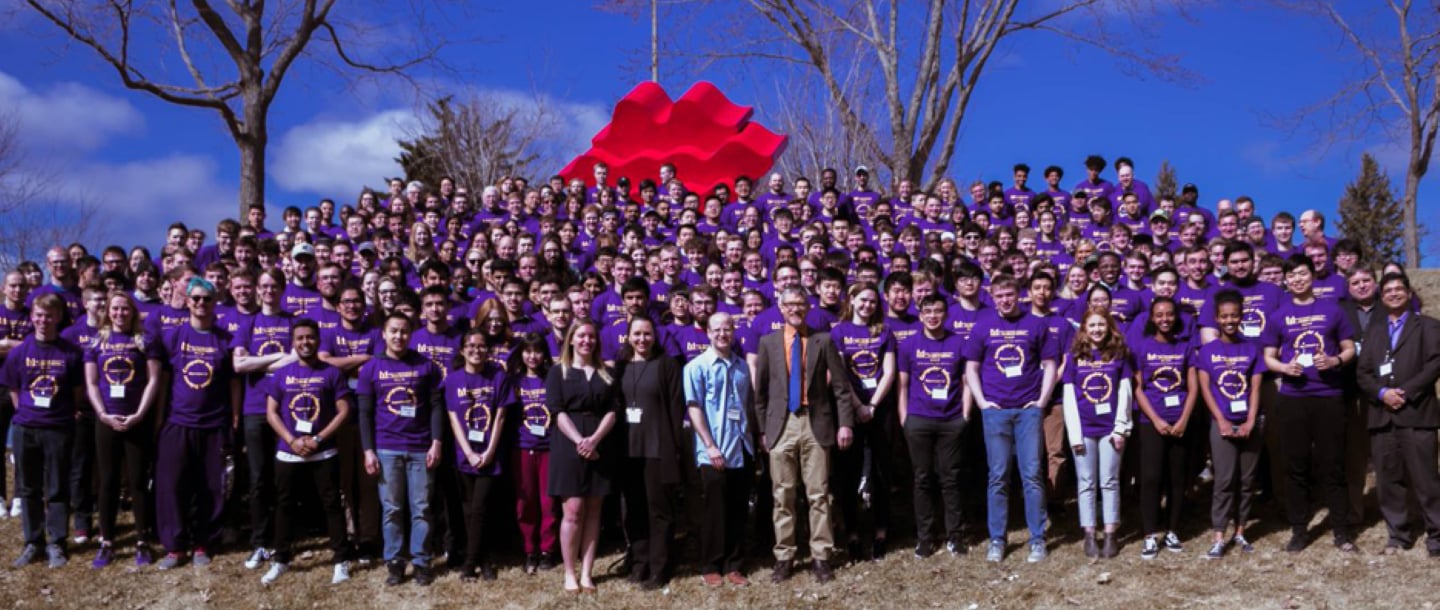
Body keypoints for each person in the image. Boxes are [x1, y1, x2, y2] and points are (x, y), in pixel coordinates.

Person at [753, 286, 858, 584]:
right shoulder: (768, 342)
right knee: (782, 494)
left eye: (800, 304)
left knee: (819, 494)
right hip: (781, 425)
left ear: (808, 307)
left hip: (816, 424)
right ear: (781, 308)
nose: (795, 309)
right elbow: (760, 393)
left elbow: (841, 388)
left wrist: (845, 423)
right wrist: (762, 429)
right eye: (789, 304)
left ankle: (821, 556)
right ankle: (784, 556)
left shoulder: (823, 341)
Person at [1262, 254, 1357, 553]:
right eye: (1292, 275)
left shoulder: (1333, 310)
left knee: (1333, 465)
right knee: (1296, 467)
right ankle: (1299, 530)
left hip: (1329, 396)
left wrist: (1334, 360)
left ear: (1312, 276)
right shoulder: (1278, 316)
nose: (1298, 279)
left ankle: (1341, 531)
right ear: (1285, 280)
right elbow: (1268, 356)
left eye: (1302, 273)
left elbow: (1350, 348)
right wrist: (1283, 368)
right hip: (1293, 399)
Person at [963, 275, 1059, 563]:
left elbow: (1050, 364)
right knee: (998, 476)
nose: (1005, 300)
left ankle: (1037, 538)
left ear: (1019, 295)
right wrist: (982, 402)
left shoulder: (1036, 324)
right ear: (992, 297)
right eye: (999, 296)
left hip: (1028, 410)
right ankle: (997, 538)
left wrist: (1041, 401)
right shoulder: (983, 325)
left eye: (1009, 295)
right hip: (996, 412)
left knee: (1032, 474)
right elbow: (971, 368)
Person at [154, 277, 238, 570]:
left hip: (214, 424)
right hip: (178, 422)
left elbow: (233, 383)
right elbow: (164, 381)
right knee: (172, 486)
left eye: (207, 298)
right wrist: (160, 418)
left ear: (215, 303)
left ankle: (204, 543)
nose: (202, 303)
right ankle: (175, 546)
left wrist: (234, 417)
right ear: (187, 301)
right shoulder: (174, 336)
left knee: (210, 487)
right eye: (196, 298)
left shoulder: (225, 339)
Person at [260, 319, 353, 585]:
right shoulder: (281, 374)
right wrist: (291, 440)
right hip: (289, 452)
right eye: (300, 338)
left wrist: (319, 438)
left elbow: (344, 410)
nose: (305, 342)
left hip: (323, 451)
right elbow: (271, 412)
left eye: (310, 337)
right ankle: (281, 560)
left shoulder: (332, 373)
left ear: (318, 340)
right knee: (284, 505)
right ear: (293, 342)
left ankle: (341, 561)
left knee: (332, 504)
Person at [357, 313, 445, 586]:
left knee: (421, 508)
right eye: (393, 331)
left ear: (411, 334)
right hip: (386, 448)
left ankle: (421, 561)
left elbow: (436, 407)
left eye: (404, 331)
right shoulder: (371, 368)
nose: (399, 336)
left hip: (420, 447)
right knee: (392, 509)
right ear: (383, 334)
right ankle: (394, 562)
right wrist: (368, 450)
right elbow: (364, 413)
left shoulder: (426, 366)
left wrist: (437, 441)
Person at [1356, 273, 1440, 556]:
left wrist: (1404, 392)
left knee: (1426, 480)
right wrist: (1382, 394)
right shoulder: (1375, 330)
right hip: (1382, 416)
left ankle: (1436, 535)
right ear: (1381, 297)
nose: (1393, 294)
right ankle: (1398, 535)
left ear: (1409, 293)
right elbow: (1363, 372)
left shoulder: (1428, 326)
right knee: (1389, 480)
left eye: (1398, 289)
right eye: (1388, 290)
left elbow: (1434, 364)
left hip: (1416, 414)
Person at [3, 293, 84, 568]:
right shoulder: (19, 353)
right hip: (26, 427)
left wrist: (60, 415)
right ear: (32, 317)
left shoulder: (71, 353)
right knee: (28, 488)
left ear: (58, 317)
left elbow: (76, 392)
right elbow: (14, 389)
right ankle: (33, 541)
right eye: (38, 315)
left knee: (57, 487)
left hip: (58, 428)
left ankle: (57, 542)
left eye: (49, 315)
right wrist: (26, 415)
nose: (43, 320)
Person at [83, 290, 162, 568]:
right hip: (107, 420)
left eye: (125, 308)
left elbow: (154, 380)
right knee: (108, 481)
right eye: (114, 308)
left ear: (133, 312)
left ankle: (142, 540)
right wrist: (102, 414)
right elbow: (92, 382)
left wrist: (140, 413)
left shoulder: (145, 340)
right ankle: (106, 542)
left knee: (138, 481)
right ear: (108, 311)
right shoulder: (97, 341)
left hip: (137, 420)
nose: (119, 313)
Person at [547, 320, 619, 594]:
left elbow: (613, 410)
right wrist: (580, 441)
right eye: (581, 336)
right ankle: (569, 572)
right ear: (571, 339)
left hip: (601, 443)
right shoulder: (558, 372)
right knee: (573, 510)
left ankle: (587, 572)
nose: (586, 340)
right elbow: (557, 410)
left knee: (594, 510)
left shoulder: (606, 373)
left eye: (591, 336)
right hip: (568, 444)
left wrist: (595, 439)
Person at [231, 268, 296, 570]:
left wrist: (256, 362)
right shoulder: (248, 323)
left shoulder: (292, 322)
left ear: (282, 289)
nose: (269, 290)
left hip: (286, 409)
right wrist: (276, 359)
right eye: (265, 286)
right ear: (258, 289)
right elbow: (239, 365)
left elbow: (296, 359)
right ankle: (259, 542)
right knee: (258, 479)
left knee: (283, 478)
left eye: (274, 286)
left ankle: (283, 540)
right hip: (255, 409)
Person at [684, 312, 755, 587]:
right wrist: (710, 446)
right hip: (714, 449)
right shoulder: (696, 367)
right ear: (708, 333)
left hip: (741, 446)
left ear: (734, 331)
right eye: (717, 330)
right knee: (714, 510)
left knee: (738, 508)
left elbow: (747, 405)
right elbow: (694, 408)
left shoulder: (742, 366)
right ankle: (711, 564)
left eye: (727, 329)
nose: (722, 334)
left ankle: (733, 564)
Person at [615, 316, 685, 589]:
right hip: (628, 450)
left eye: (647, 334)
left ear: (654, 336)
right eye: (637, 334)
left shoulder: (666, 365)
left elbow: (676, 409)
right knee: (634, 509)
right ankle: (639, 562)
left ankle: (659, 567)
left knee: (659, 511)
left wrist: (674, 448)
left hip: (657, 449)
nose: (642, 339)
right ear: (628, 337)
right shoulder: (621, 367)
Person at [828, 282, 897, 560]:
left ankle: (880, 533)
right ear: (852, 300)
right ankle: (853, 535)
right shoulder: (839, 332)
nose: (867, 305)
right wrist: (858, 406)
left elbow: (889, 371)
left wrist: (873, 405)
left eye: (872, 301)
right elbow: (840, 373)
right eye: (863, 300)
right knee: (849, 473)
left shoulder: (884, 331)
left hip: (880, 409)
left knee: (882, 473)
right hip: (850, 409)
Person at [897, 294, 968, 557]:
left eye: (938, 311)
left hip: (951, 419)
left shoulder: (958, 342)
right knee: (922, 479)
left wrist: (965, 415)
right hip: (919, 419)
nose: (933, 316)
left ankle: (955, 536)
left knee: (951, 479)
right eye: (928, 311)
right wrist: (904, 418)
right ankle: (925, 537)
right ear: (920, 315)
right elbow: (902, 385)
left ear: (946, 314)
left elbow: (966, 381)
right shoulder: (909, 344)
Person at [1130, 296, 1200, 560]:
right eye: (1159, 315)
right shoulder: (1142, 346)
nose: (1165, 319)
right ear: (1152, 318)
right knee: (1150, 478)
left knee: (1177, 478)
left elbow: (1193, 388)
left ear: (1176, 317)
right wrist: (1157, 420)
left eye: (1169, 314)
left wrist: (1183, 420)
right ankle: (1150, 534)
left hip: (1180, 422)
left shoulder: (1185, 346)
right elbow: (1138, 388)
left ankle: (1172, 530)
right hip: (1151, 422)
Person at [1197, 290, 1264, 560]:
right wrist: (1221, 420)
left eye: (1234, 316)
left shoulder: (1252, 349)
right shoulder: (1207, 351)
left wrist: (1251, 422)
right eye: (1224, 316)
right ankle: (1218, 535)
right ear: (1216, 319)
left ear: (1241, 317)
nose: (1229, 321)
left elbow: (1255, 389)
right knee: (1224, 481)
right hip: (1221, 423)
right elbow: (1205, 389)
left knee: (1246, 481)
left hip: (1249, 422)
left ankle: (1240, 530)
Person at [1062, 311, 1132, 559]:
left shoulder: (1119, 355)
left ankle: (1111, 532)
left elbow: (1125, 393)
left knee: (1110, 481)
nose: (1097, 329)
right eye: (1092, 325)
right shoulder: (1073, 358)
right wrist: (1075, 435)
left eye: (1102, 324)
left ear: (1110, 327)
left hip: (1110, 430)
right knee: (1086, 482)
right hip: (1084, 430)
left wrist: (1121, 428)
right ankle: (1090, 533)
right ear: (1083, 328)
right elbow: (1069, 398)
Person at [443, 329, 509, 582]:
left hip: (490, 454)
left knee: (481, 507)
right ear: (462, 350)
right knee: (470, 510)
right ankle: (485, 558)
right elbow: (453, 419)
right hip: (465, 454)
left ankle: (470, 564)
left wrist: (490, 451)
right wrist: (468, 452)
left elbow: (500, 416)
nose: (476, 350)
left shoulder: (498, 376)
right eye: (470, 345)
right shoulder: (452, 380)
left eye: (481, 346)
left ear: (488, 350)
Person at [506, 334, 558, 574]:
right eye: (527, 351)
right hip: (522, 448)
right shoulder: (514, 381)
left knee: (548, 502)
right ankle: (529, 549)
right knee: (525, 502)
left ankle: (547, 549)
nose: (532, 356)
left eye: (537, 351)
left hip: (549, 448)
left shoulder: (553, 378)